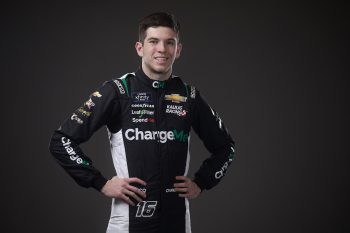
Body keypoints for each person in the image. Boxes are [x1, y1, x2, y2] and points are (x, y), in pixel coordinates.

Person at [49, 12, 235, 233]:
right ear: (140, 48)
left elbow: (226, 148)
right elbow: (61, 141)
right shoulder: (118, 90)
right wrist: (100, 182)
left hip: (176, 223)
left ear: (178, 50)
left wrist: (202, 183)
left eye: (169, 43)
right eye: (153, 41)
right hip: (128, 223)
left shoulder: (189, 96)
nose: (162, 49)